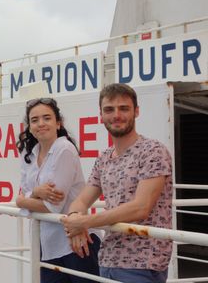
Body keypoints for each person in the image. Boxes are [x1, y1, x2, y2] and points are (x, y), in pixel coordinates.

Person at [61, 83, 173, 283]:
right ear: (101, 115)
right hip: (108, 259)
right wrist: (75, 219)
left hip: (142, 263)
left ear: (136, 111)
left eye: (124, 108)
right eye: (109, 109)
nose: (116, 115)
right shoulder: (104, 157)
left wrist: (84, 222)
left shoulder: (153, 151)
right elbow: (81, 200)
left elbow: (141, 208)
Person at [16, 97, 101, 283]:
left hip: (75, 243)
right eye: (35, 120)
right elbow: (23, 192)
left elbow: (52, 206)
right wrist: (34, 193)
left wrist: (23, 201)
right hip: (46, 244)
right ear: (29, 126)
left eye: (47, 118)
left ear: (58, 123)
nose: (41, 124)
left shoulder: (64, 149)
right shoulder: (29, 153)